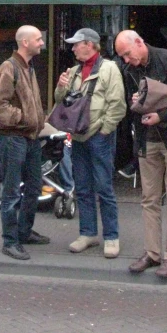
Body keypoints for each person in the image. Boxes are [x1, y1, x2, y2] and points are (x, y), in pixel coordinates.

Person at [115, 29, 167, 280]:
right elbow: (134, 108)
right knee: (149, 199)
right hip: (147, 139)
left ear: (140, 42)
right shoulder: (129, 70)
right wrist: (135, 103)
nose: (126, 61)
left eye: (127, 54)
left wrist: (163, 116)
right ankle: (152, 253)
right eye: (122, 57)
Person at [53, 28, 126, 259]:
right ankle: (88, 233)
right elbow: (61, 102)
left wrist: (104, 131)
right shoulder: (73, 71)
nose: (73, 48)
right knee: (82, 187)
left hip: (98, 136)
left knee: (104, 187)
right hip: (78, 135)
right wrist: (61, 86)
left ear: (90, 44)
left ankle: (111, 237)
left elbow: (117, 104)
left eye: (77, 44)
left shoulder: (109, 69)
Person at [0, 25, 49, 261]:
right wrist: (24, 119)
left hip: (29, 137)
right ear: (25, 43)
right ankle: (10, 241)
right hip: (13, 137)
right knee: (12, 190)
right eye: (38, 39)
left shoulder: (28, 67)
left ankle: (24, 232)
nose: (42, 42)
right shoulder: (9, 67)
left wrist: (37, 121)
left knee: (34, 186)